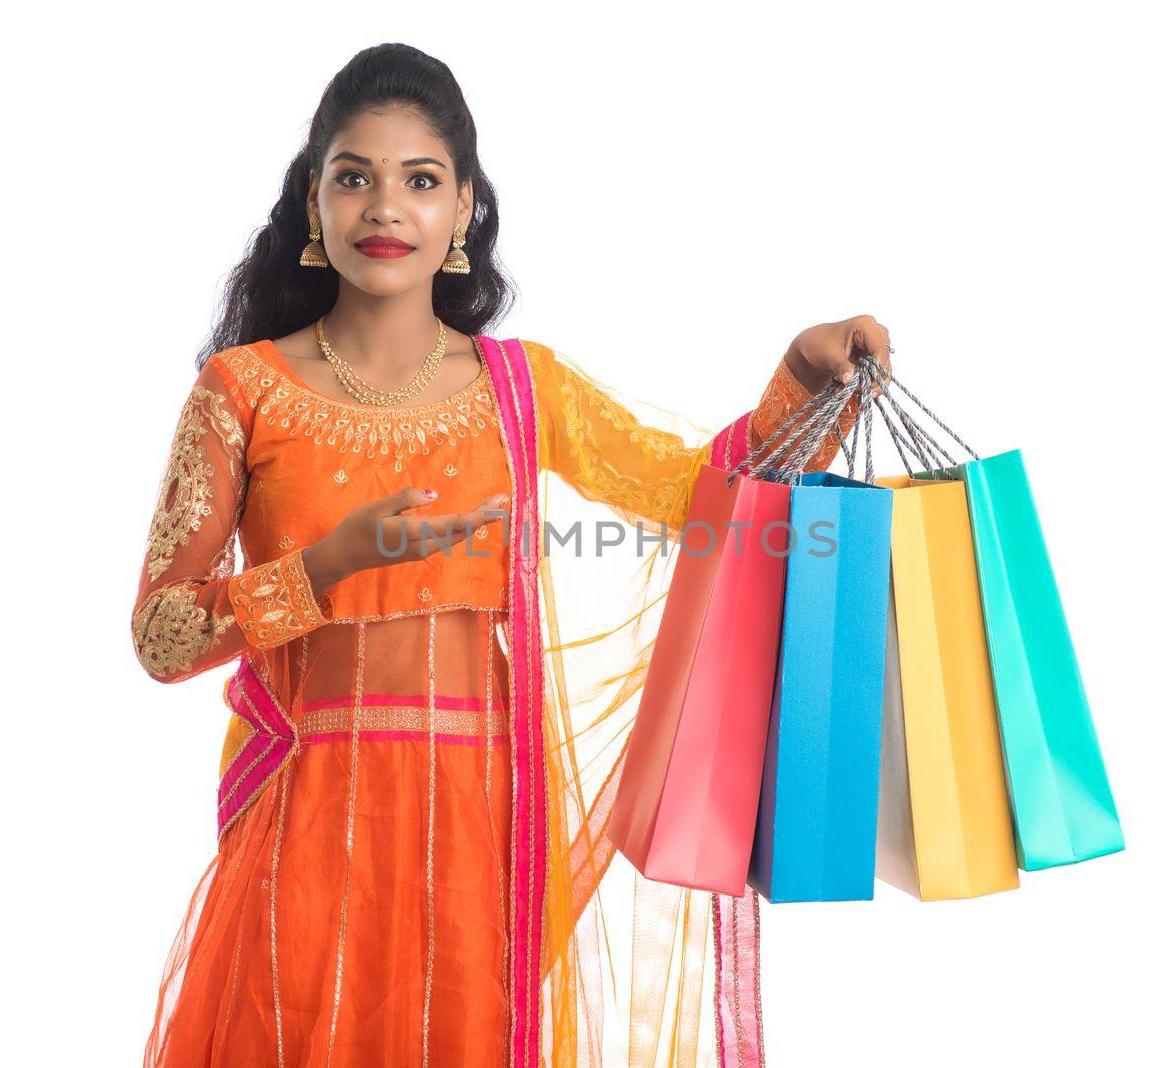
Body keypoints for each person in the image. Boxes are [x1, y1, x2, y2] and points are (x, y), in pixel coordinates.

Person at [132, 42, 891, 1068]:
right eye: (352, 177)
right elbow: (164, 635)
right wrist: (323, 571)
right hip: (301, 819)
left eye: (420, 180)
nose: (384, 207)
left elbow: (698, 496)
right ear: (311, 206)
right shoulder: (243, 392)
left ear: (463, 213)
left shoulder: (519, 390)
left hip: (477, 828)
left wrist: (799, 375)